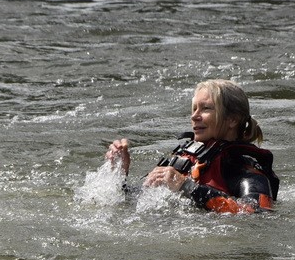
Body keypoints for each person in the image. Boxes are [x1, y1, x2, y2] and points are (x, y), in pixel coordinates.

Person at [105, 80, 279, 214]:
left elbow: (257, 214)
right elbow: (132, 202)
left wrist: (187, 187)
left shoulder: (248, 173)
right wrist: (120, 174)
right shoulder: (183, 158)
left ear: (232, 119)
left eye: (206, 109)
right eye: (194, 109)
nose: (195, 116)